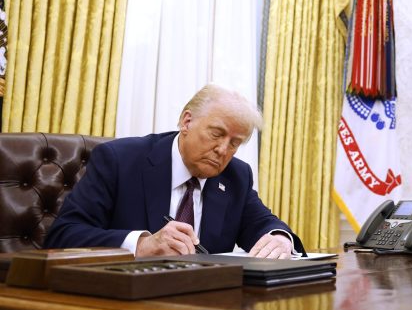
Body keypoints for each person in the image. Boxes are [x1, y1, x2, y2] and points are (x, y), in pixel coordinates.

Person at [45, 84, 303, 258]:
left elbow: (262, 223)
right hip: (125, 304)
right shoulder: (120, 160)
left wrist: (279, 238)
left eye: (235, 143)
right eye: (217, 134)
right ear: (186, 121)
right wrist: (142, 244)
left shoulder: (236, 176)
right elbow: (62, 236)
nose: (223, 150)